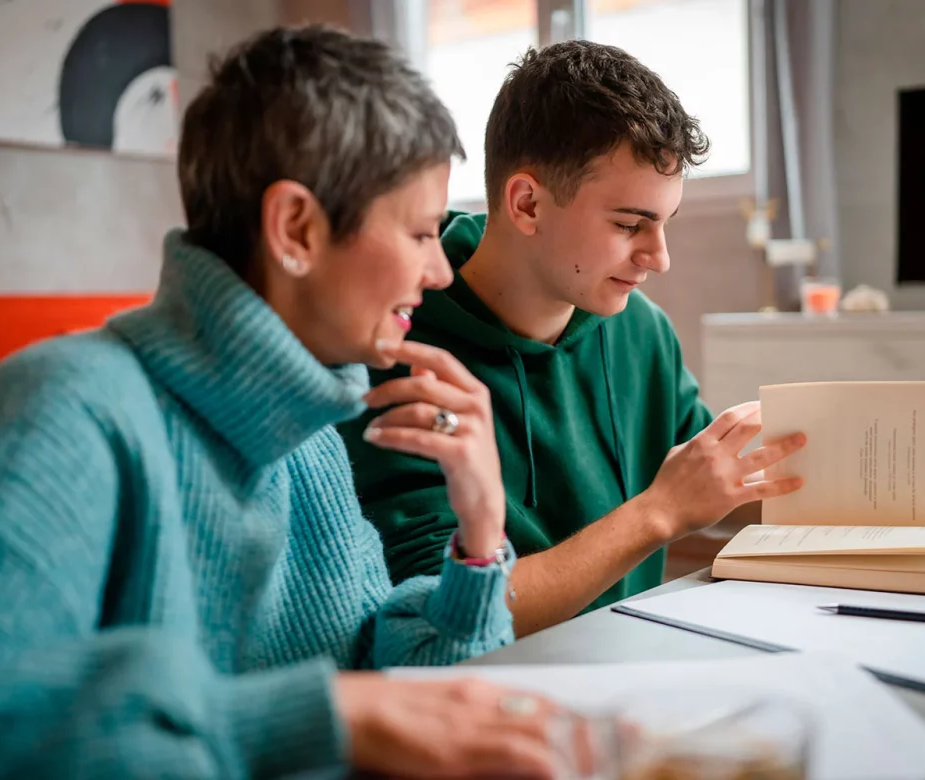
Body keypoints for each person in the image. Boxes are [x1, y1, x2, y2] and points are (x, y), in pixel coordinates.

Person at [0, 26, 564, 780]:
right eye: (421, 233)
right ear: (296, 229)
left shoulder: (309, 436)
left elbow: (383, 682)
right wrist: (324, 716)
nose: (439, 271)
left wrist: (478, 539)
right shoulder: (59, 412)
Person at [338, 39, 807, 638]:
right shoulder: (396, 349)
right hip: (496, 701)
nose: (658, 258)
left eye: (664, 224)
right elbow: (441, 619)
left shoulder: (643, 331)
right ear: (528, 203)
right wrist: (656, 514)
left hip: (635, 670)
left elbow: (722, 480)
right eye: (630, 224)